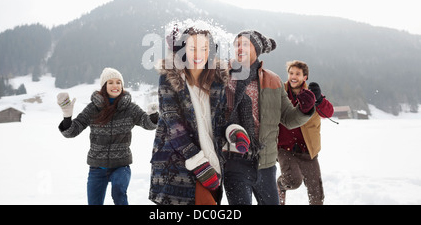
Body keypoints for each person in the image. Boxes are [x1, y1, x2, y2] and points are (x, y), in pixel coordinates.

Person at [149, 26, 246, 205]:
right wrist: (198, 163)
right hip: (177, 164)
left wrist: (233, 131)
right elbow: (173, 125)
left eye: (204, 48)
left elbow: (220, 120)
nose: (198, 54)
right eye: (192, 48)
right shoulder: (169, 77)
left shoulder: (218, 80)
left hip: (212, 162)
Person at [223, 30, 316, 205]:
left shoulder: (273, 80)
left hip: (265, 163)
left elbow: (289, 118)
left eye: (245, 44)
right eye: (237, 44)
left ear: (256, 50)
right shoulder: (223, 75)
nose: (239, 48)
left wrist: (305, 109)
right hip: (234, 160)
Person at [57, 67, 158, 205]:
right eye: (110, 82)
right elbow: (72, 131)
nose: (115, 86)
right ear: (104, 86)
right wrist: (67, 116)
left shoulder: (130, 108)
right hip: (97, 167)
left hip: (121, 165)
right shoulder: (93, 108)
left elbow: (148, 124)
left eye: (118, 82)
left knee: (118, 192)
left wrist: (153, 116)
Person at [277, 60, 334, 205]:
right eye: (291, 73)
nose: (293, 77)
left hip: (308, 150)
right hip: (285, 149)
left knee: (317, 194)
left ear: (305, 77)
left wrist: (319, 99)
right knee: (292, 181)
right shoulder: (279, 92)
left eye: (297, 74)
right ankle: (280, 185)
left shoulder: (312, 94)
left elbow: (329, 113)